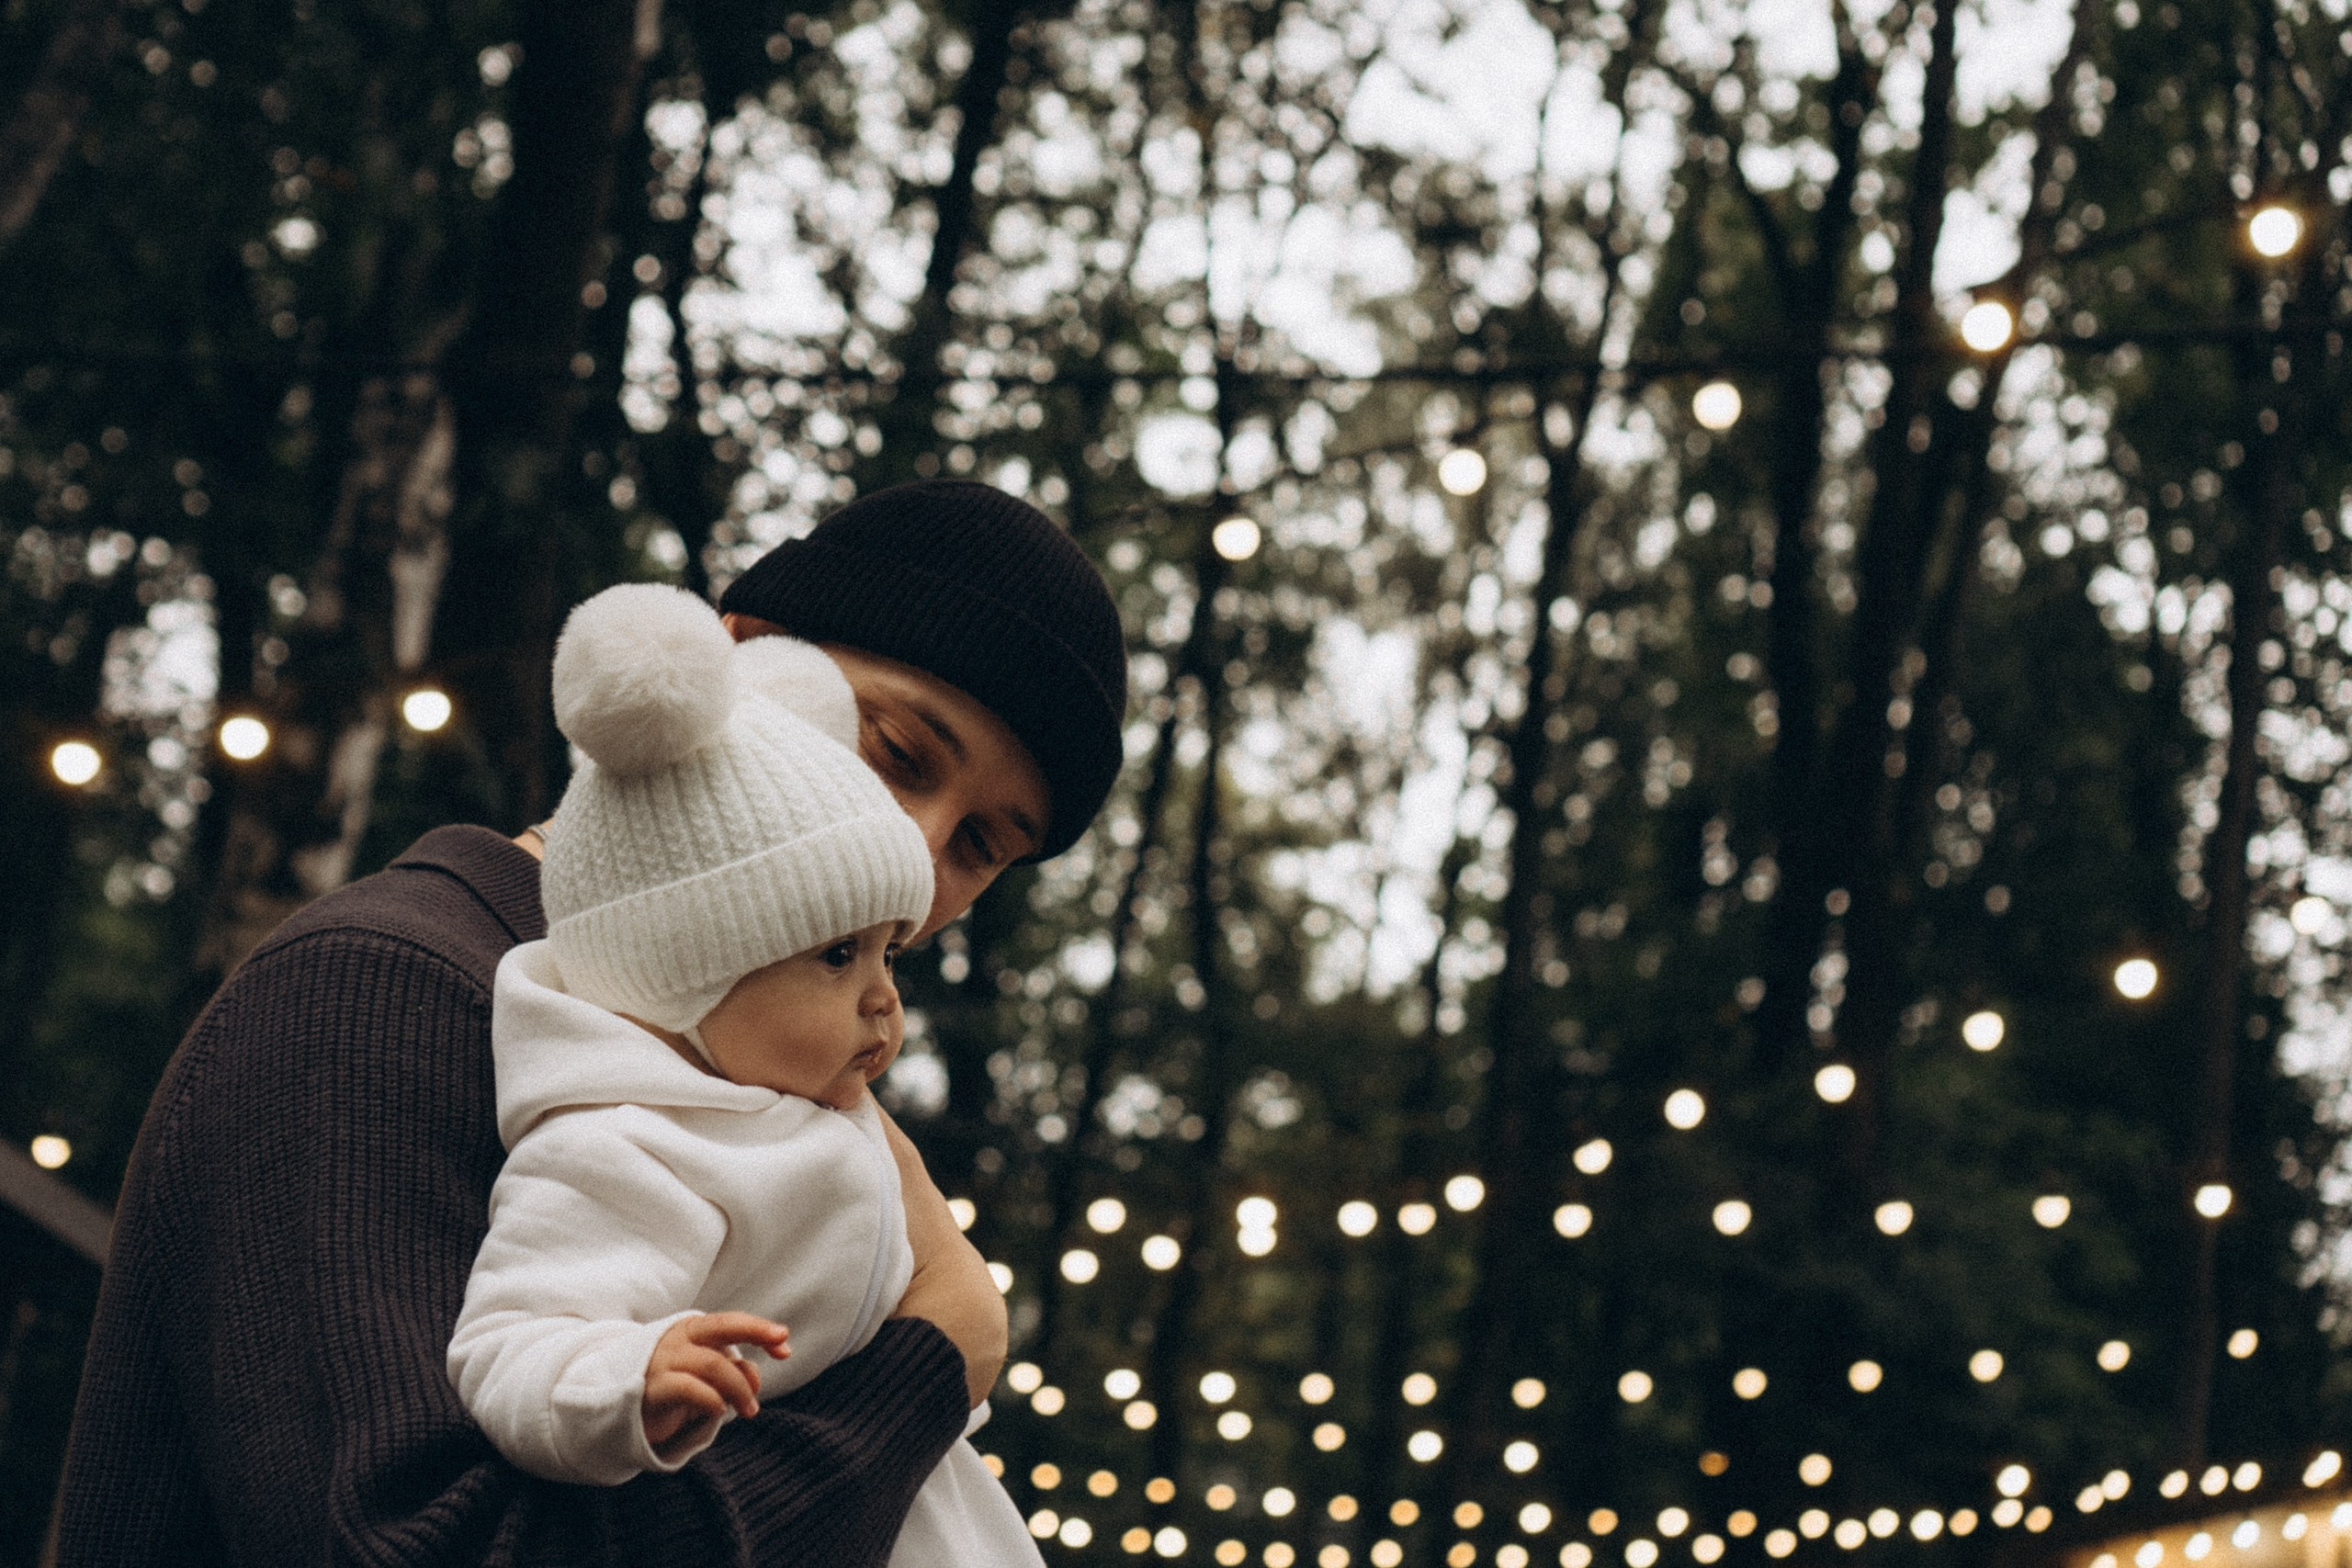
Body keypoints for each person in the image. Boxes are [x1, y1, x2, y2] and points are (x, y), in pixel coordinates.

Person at [57, 480, 1127, 1567]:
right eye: (898, 752)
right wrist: (934, 1359)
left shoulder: (761, 1089)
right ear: (735, 658)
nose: (920, 853)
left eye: (981, 846)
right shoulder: (381, 991)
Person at [448, 583, 1039, 1568]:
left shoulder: (791, 1098)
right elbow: (515, 1339)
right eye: (838, 954)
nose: (885, 999)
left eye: (888, 952)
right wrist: (628, 1378)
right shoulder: (625, 1142)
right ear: (691, 970)